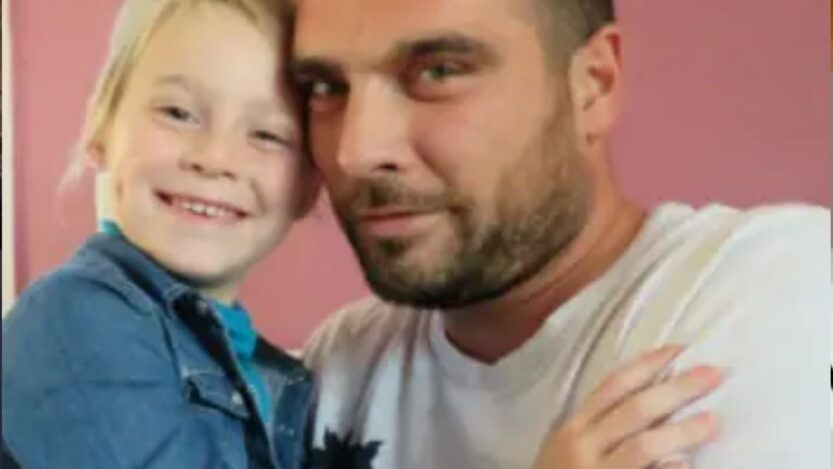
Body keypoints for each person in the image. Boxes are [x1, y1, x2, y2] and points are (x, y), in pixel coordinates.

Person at [291, 0, 832, 467]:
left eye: (439, 72)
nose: (356, 152)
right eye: (324, 88)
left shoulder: (776, 285)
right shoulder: (342, 365)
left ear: (592, 85)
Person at [2, 0, 320, 467]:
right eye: (177, 112)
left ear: (311, 184)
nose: (214, 158)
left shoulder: (266, 369)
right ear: (101, 123)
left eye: (268, 136)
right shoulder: (75, 319)